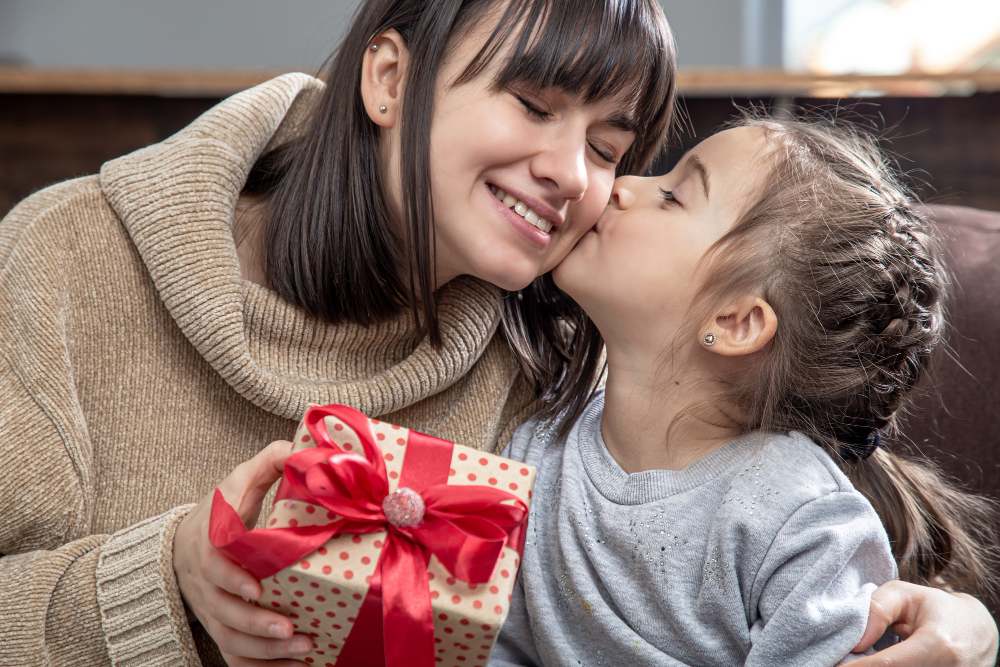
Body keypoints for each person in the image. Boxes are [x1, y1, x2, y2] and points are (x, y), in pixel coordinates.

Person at [0, 1, 994, 665]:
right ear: (388, 81)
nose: (580, 178)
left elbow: (789, 459)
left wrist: (960, 624)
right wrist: (162, 576)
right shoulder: (74, 259)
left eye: (612, 148)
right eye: (532, 103)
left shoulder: (557, 338)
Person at [490, 115, 1000, 666]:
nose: (618, 186)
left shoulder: (800, 523)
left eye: (672, 195)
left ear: (735, 322)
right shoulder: (537, 438)